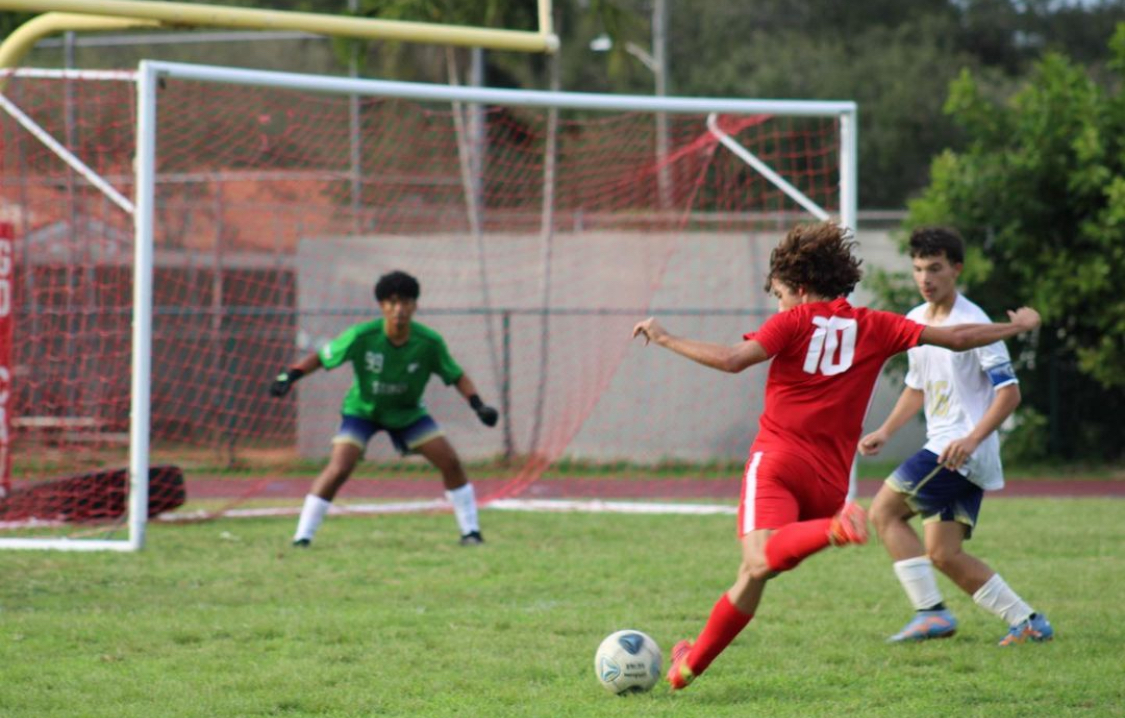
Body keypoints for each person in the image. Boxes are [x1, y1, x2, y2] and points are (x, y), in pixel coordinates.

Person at [631, 221, 1041, 691]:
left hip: (779, 463)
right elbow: (957, 339)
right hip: (829, 481)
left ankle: (834, 529)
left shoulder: (793, 321)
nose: (779, 304)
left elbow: (731, 359)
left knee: (760, 558)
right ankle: (688, 666)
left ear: (801, 289)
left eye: (781, 294)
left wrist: (665, 338)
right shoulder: (878, 325)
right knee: (754, 571)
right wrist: (1017, 326)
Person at [858, 227, 1053, 646]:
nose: (925, 278)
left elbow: (1009, 393)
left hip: (958, 451)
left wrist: (972, 439)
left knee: (884, 512)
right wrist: (886, 431)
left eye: (934, 268)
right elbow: (917, 386)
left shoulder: (976, 323)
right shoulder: (914, 320)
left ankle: (930, 614)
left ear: (956, 270)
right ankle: (1028, 622)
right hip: (952, 449)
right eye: (917, 269)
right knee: (944, 554)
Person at [269, 270, 499, 547]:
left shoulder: (429, 343)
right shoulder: (362, 336)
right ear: (382, 306)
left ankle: (471, 533)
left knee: (450, 461)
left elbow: (456, 376)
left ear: (415, 305)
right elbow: (321, 357)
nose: (399, 309)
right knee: (340, 467)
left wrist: (478, 405)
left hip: (408, 413)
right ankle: (302, 537)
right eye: (392, 302)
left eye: (405, 302)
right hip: (362, 411)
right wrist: (289, 376)